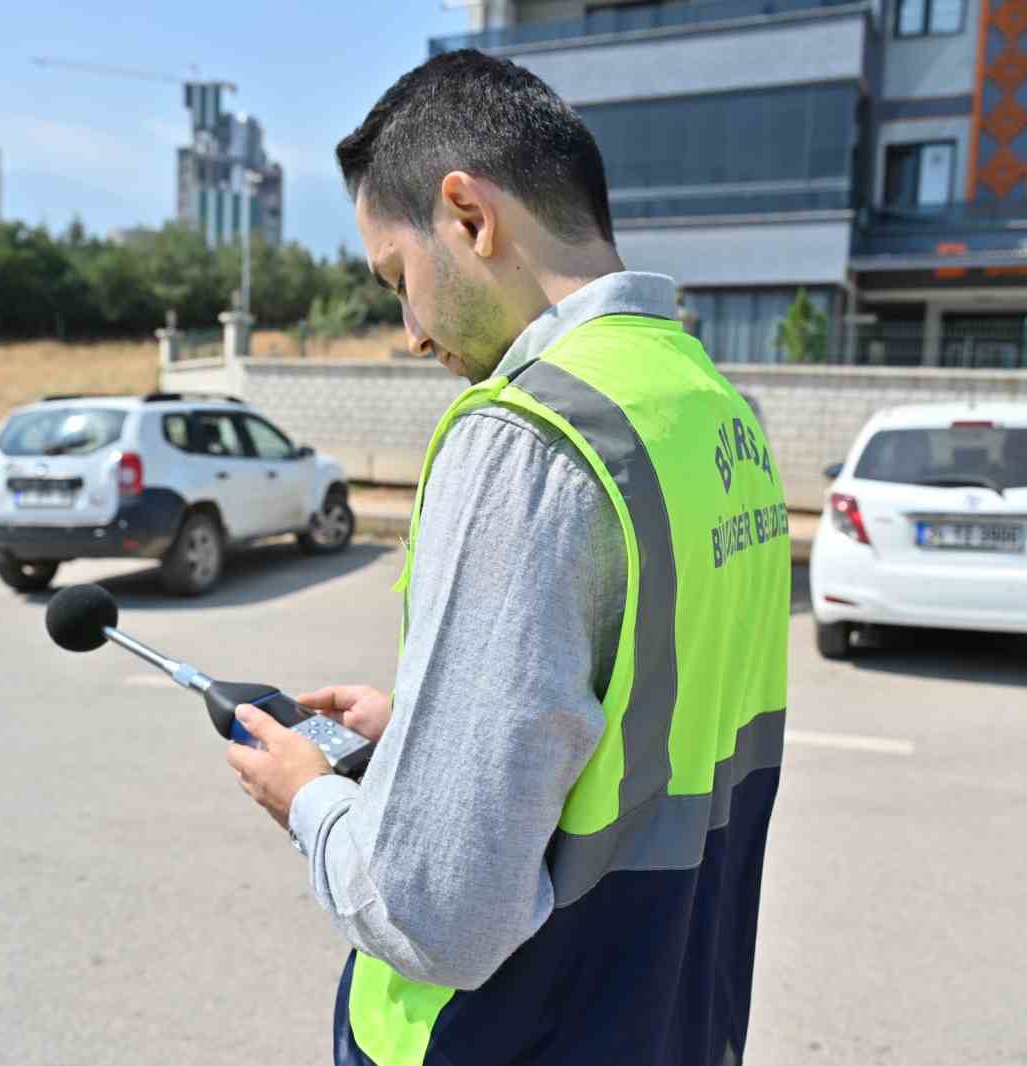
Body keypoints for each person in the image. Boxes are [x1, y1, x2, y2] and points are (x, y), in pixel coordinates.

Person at [226, 49, 792, 1066]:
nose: (407, 332)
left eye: (399, 278)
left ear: (470, 216)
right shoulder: (712, 408)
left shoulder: (531, 435)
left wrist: (307, 797)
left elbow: (439, 912)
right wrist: (437, 733)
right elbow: (651, 727)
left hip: (513, 1032)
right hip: (670, 1016)